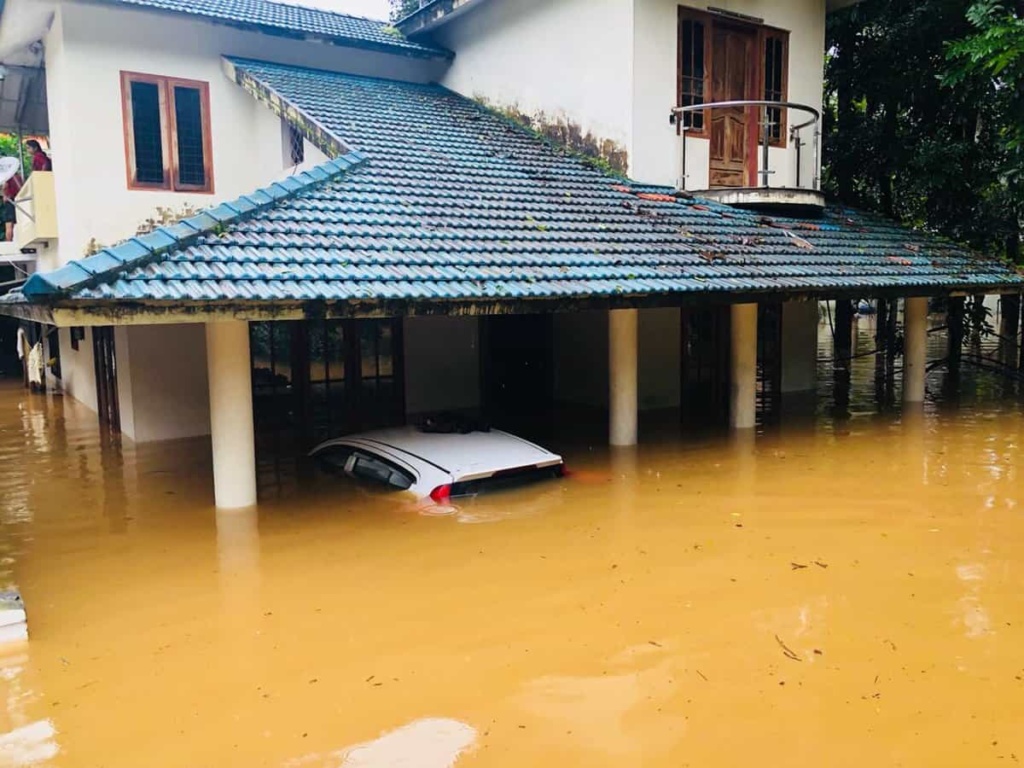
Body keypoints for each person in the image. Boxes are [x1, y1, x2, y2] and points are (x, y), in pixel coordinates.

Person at [1, 170, 22, 242]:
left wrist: (4, 193)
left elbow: (4, 188)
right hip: (19, 200)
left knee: (9, 224)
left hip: (10, 201)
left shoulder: (8, 178)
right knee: (17, 223)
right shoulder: (18, 177)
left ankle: (9, 242)